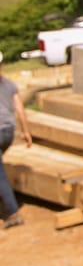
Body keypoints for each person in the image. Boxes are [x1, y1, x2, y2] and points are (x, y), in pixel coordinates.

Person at [0, 53, 33, 229]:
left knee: (0, 174)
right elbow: (20, 110)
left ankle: (13, 213)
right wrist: (26, 132)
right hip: (8, 133)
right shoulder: (9, 85)